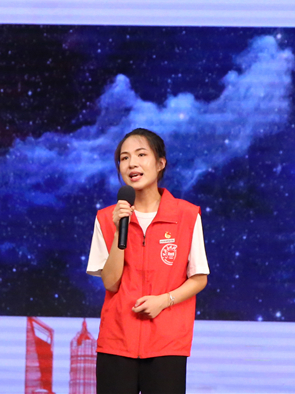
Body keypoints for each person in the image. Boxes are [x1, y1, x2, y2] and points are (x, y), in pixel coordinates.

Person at [87, 128, 210, 394]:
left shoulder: (187, 216)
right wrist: (119, 229)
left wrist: (164, 301)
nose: (132, 163)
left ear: (160, 163)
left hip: (167, 344)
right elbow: (110, 283)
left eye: (141, 155)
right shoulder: (106, 218)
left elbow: (199, 277)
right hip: (116, 342)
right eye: (124, 158)